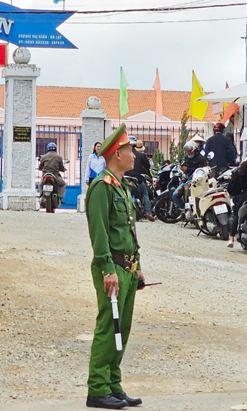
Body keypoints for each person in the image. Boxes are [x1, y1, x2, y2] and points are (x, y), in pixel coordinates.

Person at [84, 124, 145, 410]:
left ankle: (113, 384)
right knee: (110, 326)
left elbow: (129, 232)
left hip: (128, 268)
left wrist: (139, 266)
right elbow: (100, 234)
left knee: (124, 327)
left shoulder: (121, 186)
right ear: (117, 153)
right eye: (130, 150)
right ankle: (97, 388)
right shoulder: (101, 187)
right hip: (112, 269)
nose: (134, 155)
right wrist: (108, 269)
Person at [172, 140, 207, 211]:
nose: (188, 153)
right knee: (175, 195)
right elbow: (183, 166)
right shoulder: (186, 158)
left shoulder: (201, 159)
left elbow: (200, 171)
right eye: (187, 151)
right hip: (186, 180)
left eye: (190, 151)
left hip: (196, 182)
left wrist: (187, 170)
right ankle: (185, 210)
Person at [125, 139, 153, 221]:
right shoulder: (141, 155)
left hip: (126, 178)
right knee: (145, 193)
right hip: (138, 178)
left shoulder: (125, 155)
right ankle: (148, 212)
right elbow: (147, 166)